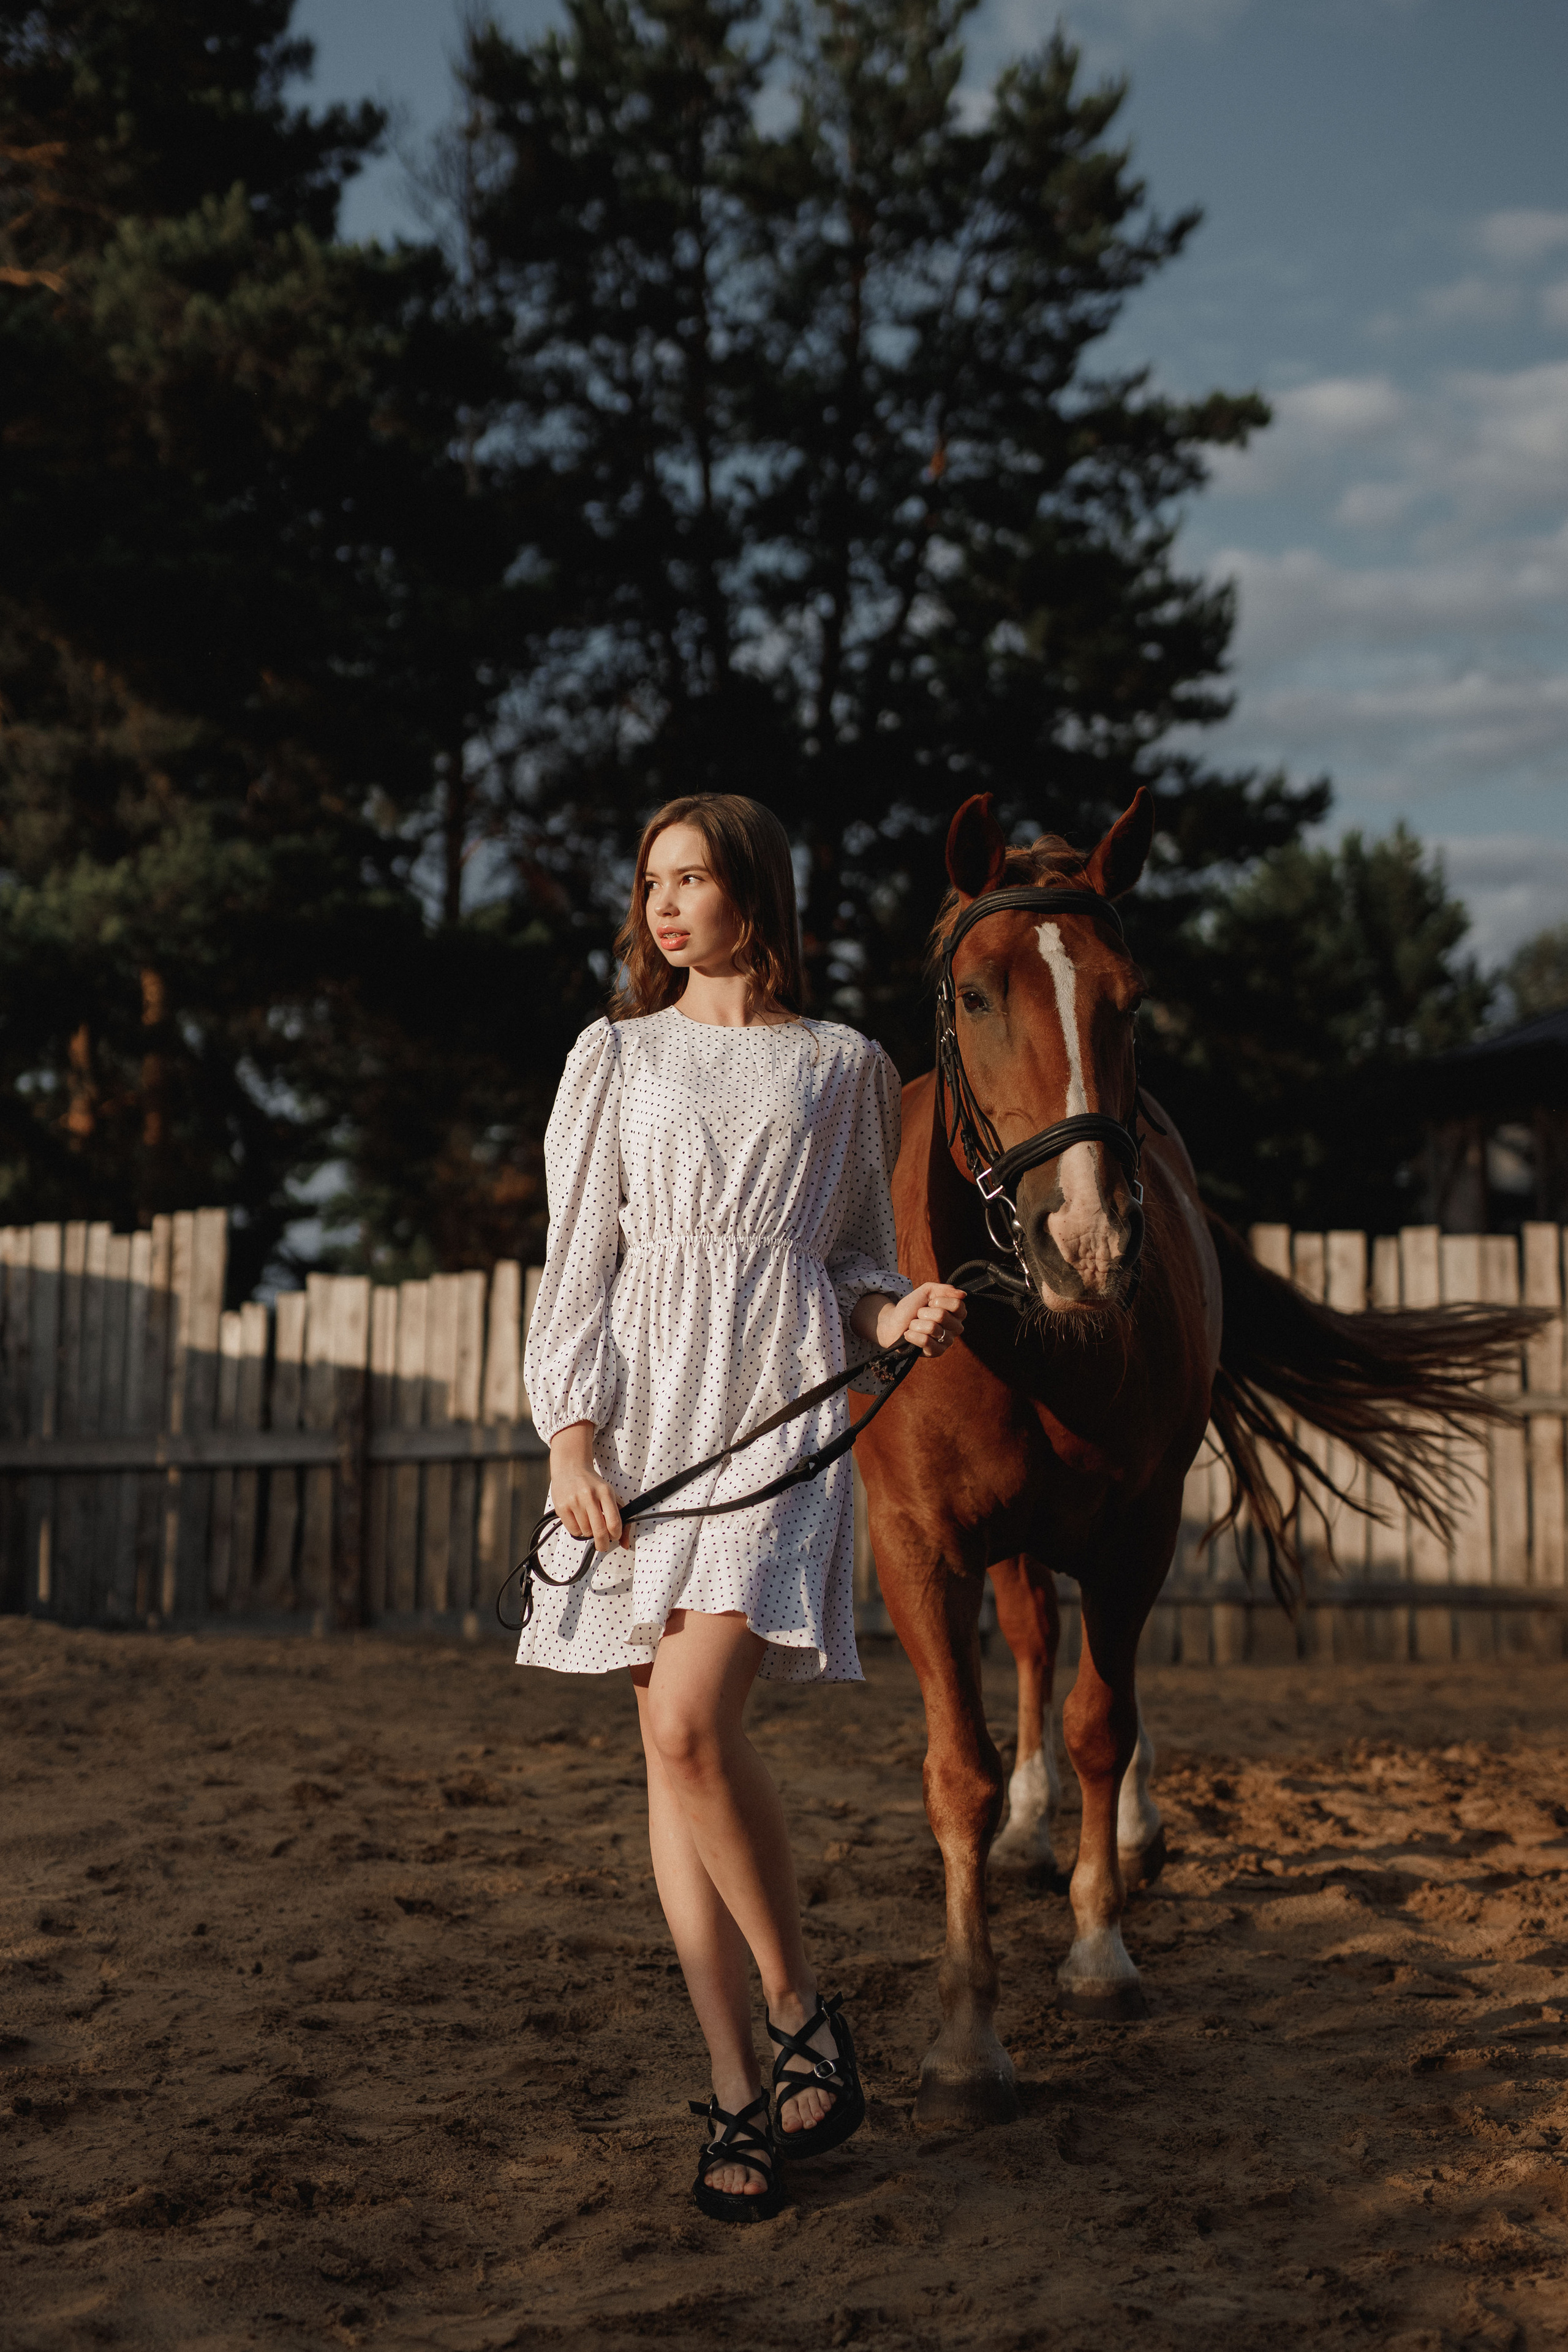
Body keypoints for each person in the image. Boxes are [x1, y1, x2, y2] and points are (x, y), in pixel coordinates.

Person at [518, 794, 967, 2223]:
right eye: (650, 881)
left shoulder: (841, 1065)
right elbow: (576, 1257)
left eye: (693, 879)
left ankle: (798, 2009)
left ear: (751, 899)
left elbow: (849, 1257)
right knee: (669, 1750)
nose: (663, 906)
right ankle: (736, 2094)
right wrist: (568, 1437)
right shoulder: (615, 1055)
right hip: (642, 1421)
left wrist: (896, 1315)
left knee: (690, 1721)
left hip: (772, 1413)